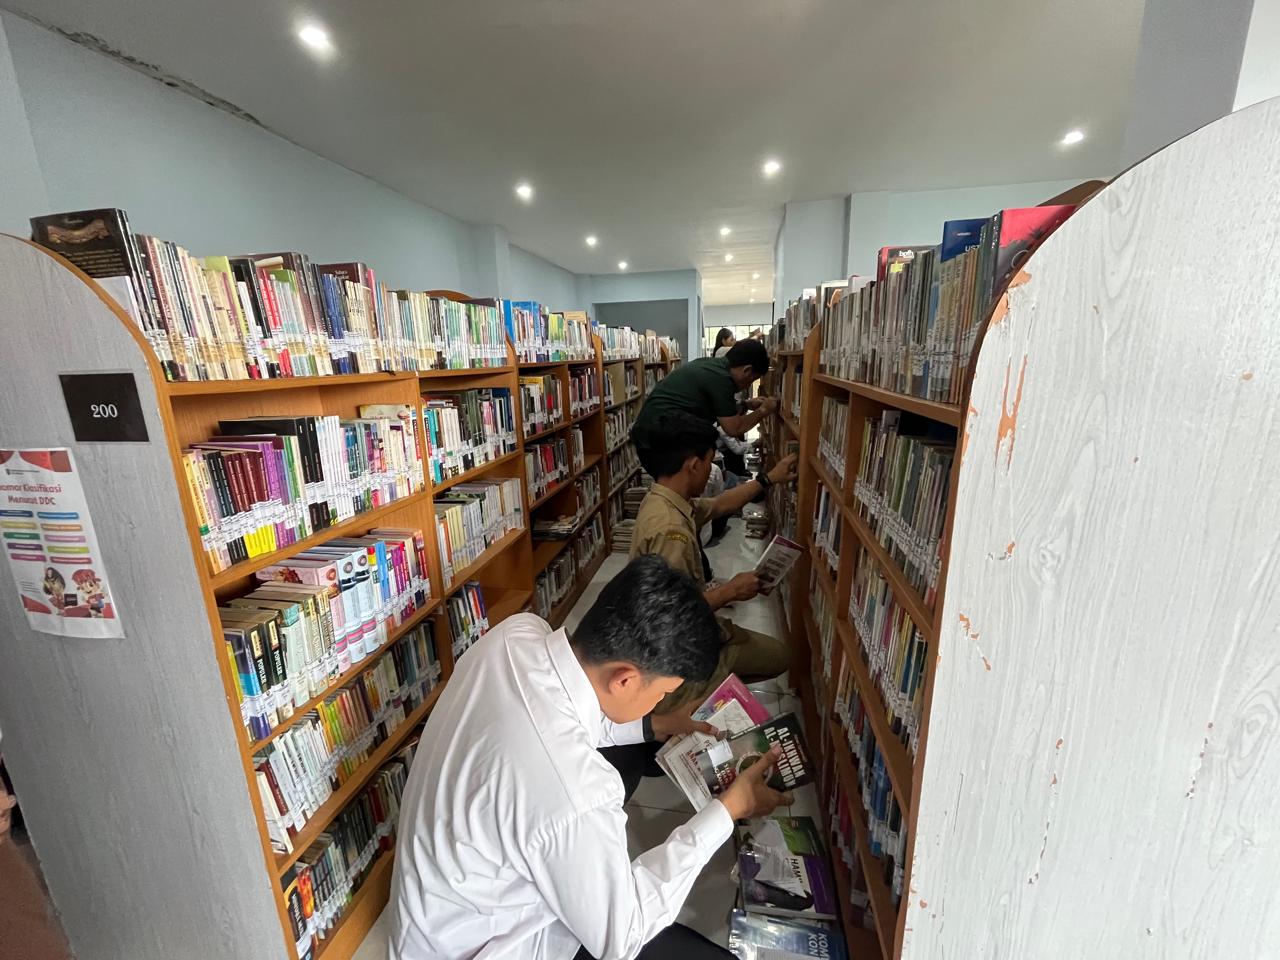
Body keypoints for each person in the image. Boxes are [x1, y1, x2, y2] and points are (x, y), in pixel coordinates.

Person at [387, 557, 792, 960]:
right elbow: (623, 935)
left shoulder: (515, 635)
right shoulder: (575, 793)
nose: (662, 699)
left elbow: (560, 712)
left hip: (433, 908)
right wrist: (727, 810)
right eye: (664, 692)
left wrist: (652, 725)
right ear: (626, 679)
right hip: (477, 943)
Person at [629, 412, 797, 715]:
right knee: (779, 657)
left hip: (672, 638)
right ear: (693, 465)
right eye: (709, 461)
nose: (711, 469)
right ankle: (690, 697)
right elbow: (670, 618)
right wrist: (730, 591)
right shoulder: (671, 531)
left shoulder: (663, 499)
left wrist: (768, 478)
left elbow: (720, 505)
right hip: (672, 650)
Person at [630, 339, 776, 466]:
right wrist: (764, 410)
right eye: (750, 381)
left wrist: (745, 405)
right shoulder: (722, 379)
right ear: (747, 370)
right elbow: (733, 428)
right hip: (657, 439)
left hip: (654, 434)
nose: (747, 386)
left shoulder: (712, 366)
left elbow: (709, 406)